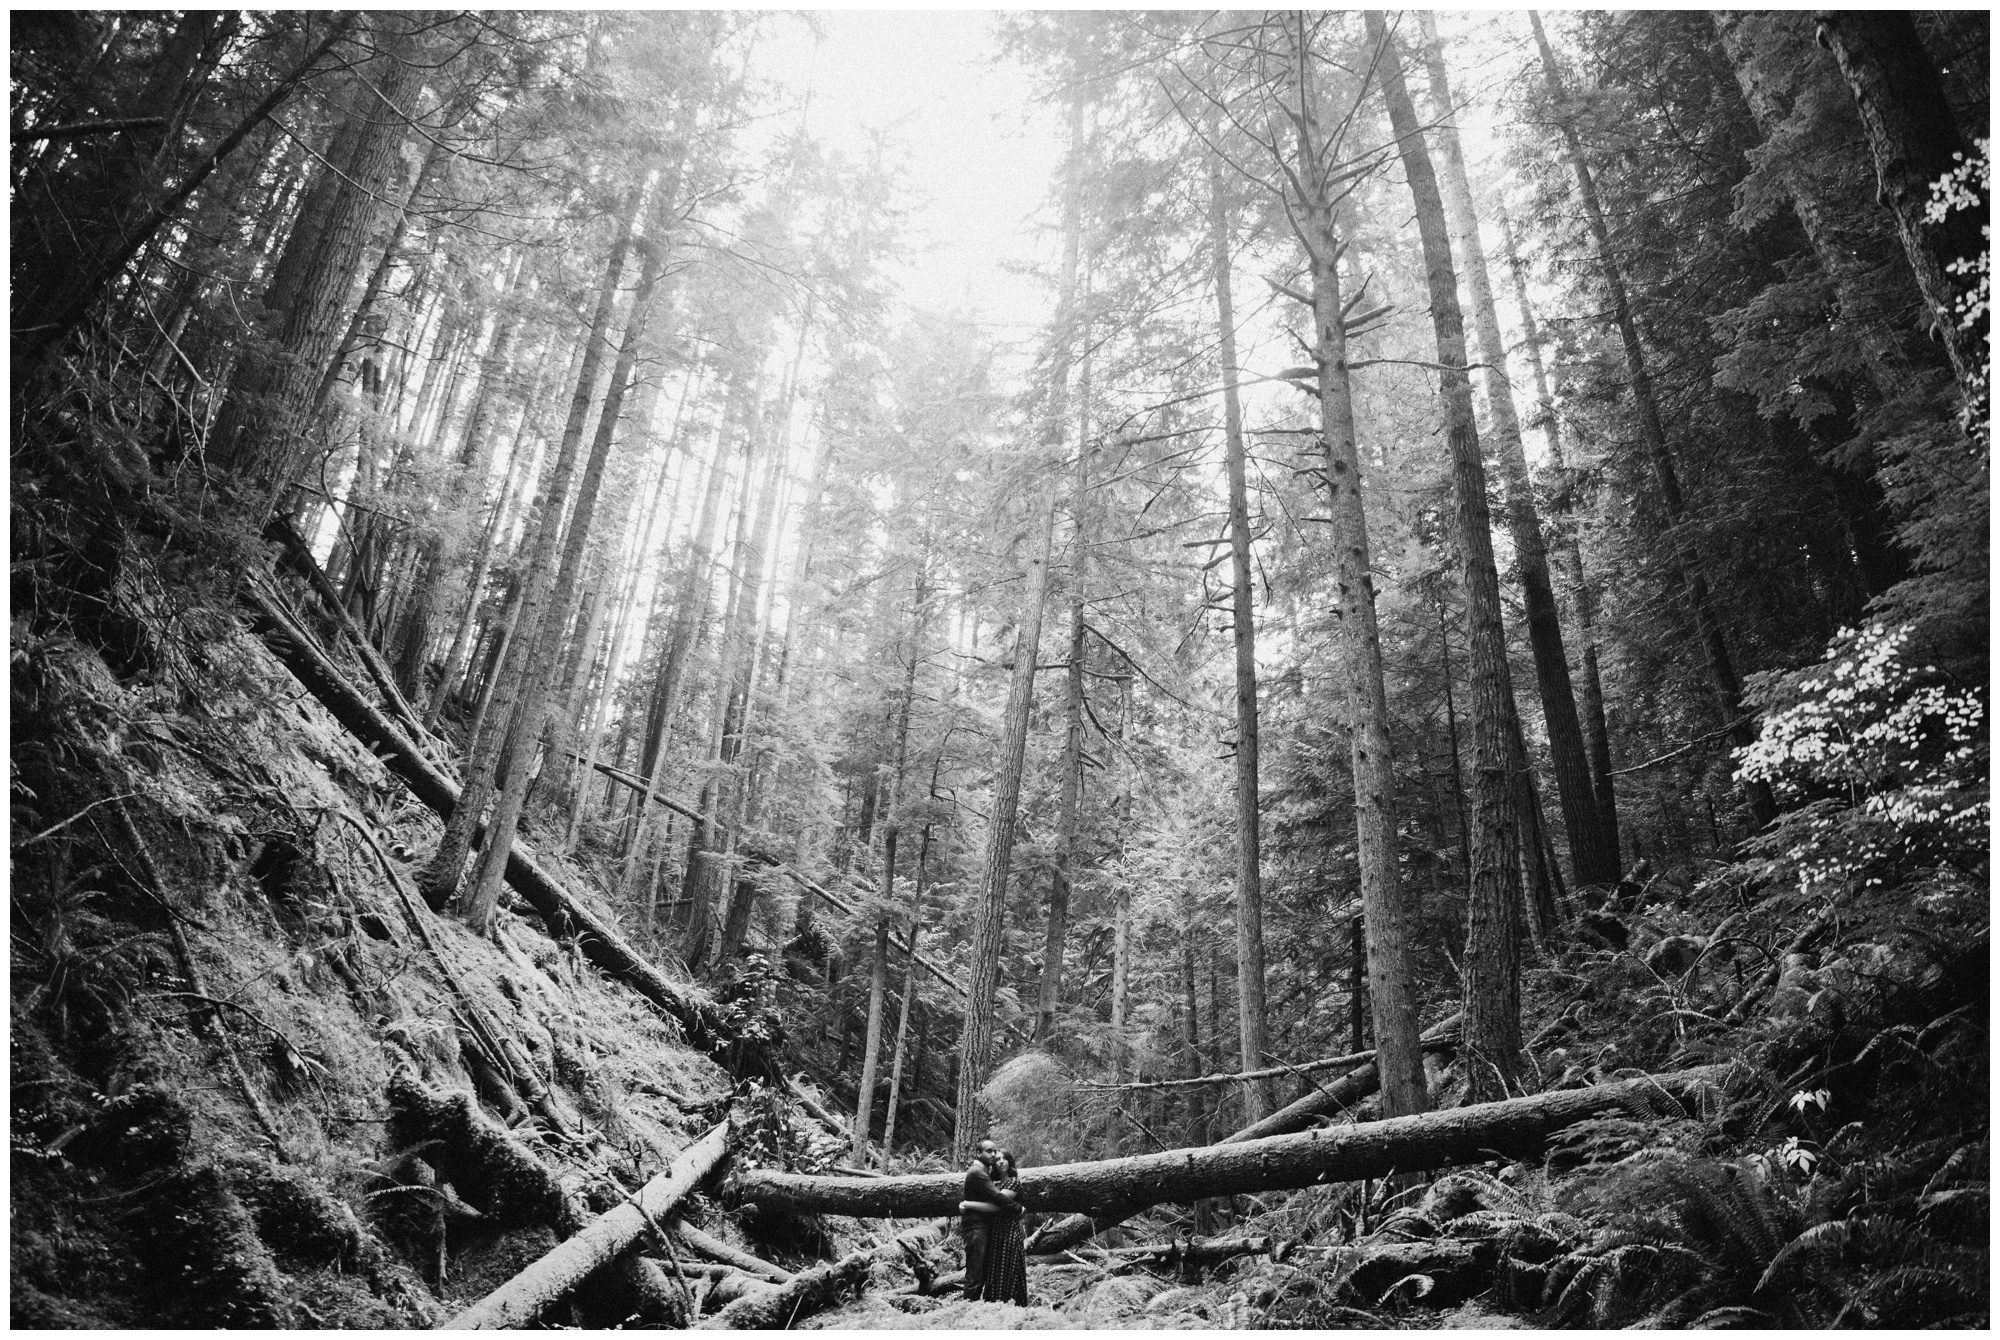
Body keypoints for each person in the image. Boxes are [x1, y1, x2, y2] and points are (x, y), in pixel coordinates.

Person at [980, 1148, 1030, 1305]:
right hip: (995, 1232)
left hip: (1009, 1232)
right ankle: (993, 1307)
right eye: (997, 1159)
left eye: (1004, 1158)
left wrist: (969, 1204)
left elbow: (997, 1204)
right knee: (995, 1270)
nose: (1001, 1161)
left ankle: (1012, 1307)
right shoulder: (995, 1184)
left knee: (1009, 1269)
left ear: (1010, 1162)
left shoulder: (1013, 1182)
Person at [958, 1140, 1007, 1300]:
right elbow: (998, 1197)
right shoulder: (977, 1172)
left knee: (981, 1271)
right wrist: (1017, 1208)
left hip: (981, 1226)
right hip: (975, 1227)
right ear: (978, 1153)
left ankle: (975, 1307)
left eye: (995, 1151)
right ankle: (967, 1308)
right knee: (975, 1273)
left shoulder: (985, 1172)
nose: (993, 1154)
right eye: (989, 1151)